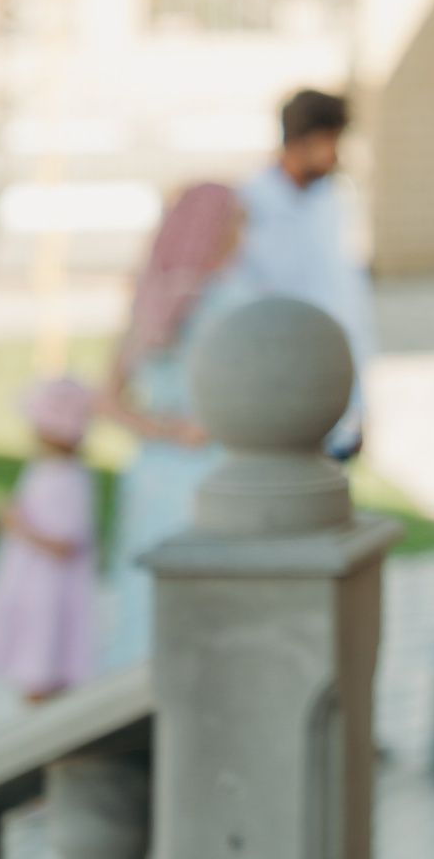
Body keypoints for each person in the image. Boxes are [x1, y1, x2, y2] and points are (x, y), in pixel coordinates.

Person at [99, 181, 254, 669]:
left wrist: (162, 430)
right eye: (236, 224)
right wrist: (185, 430)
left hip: (151, 476)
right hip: (208, 477)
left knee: (150, 600)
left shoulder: (149, 302)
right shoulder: (228, 303)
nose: (243, 237)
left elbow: (107, 400)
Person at [236, 89, 375, 458]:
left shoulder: (334, 202)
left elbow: (350, 302)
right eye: (329, 142)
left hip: (332, 379)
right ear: (301, 141)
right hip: (276, 384)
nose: (335, 155)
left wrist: (362, 403)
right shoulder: (249, 205)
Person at [0, 379, 101, 701]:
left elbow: (65, 545)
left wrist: (17, 526)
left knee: (42, 659)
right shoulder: (43, 469)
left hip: (47, 591)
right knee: (30, 662)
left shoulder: (69, 478)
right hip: (27, 584)